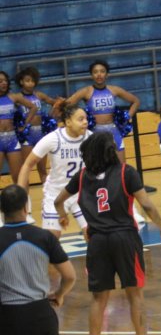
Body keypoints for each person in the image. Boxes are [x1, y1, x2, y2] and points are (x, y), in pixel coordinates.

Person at [54, 132, 161, 335]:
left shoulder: (81, 176)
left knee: (98, 299)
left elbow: (58, 201)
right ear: (111, 150)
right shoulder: (126, 172)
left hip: (97, 241)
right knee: (135, 294)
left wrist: (64, 217)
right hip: (125, 238)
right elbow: (147, 205)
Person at [0, 185, 75, 335]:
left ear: (1, 211)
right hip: (42, 316)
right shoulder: (44, 237)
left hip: (8, 320)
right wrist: (59, 295)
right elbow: (70, 276)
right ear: (26, 207)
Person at [65, 60, 147, 227]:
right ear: (91, 75)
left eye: (102, 71)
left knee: (121, 170)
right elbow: (67, 105)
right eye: (95, 71)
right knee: (97, 171)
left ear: (107, 74)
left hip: (114, 133)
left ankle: (132, 209)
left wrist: (128, 117)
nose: (99, 74)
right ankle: (100, 207)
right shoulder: (86, 91)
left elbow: (135, 101)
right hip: (95, 136)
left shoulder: (114, 90)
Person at [18, 104, 91, 239]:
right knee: (52, 238)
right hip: (56, 194)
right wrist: (21, 197)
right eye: (80, 119)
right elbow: (27, 165)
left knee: (92, 234)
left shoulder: (90, 138)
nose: (85, 122)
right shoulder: (53, 139)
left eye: (86, 118)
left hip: (81, 194)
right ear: (68, 122)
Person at [15, 66, 63, 184]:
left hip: (41, 133)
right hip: (27, 135)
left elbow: (55, 103)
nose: (30, 83)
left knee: (42, 168)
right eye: (27, 80)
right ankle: (25, 195)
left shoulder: (39, 95)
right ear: (21, 81)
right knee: (26, 167)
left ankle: (46, 194)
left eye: (32, 81)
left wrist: (58, 104)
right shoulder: (17, 97)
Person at [0, 71, 38, 185]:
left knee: (19, 177)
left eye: (5, 81)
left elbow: (33, 107)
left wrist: (25, 125)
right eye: (0, 81)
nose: (4, 83)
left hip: (12, 139)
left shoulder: (13, 97)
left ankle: (24, 198)